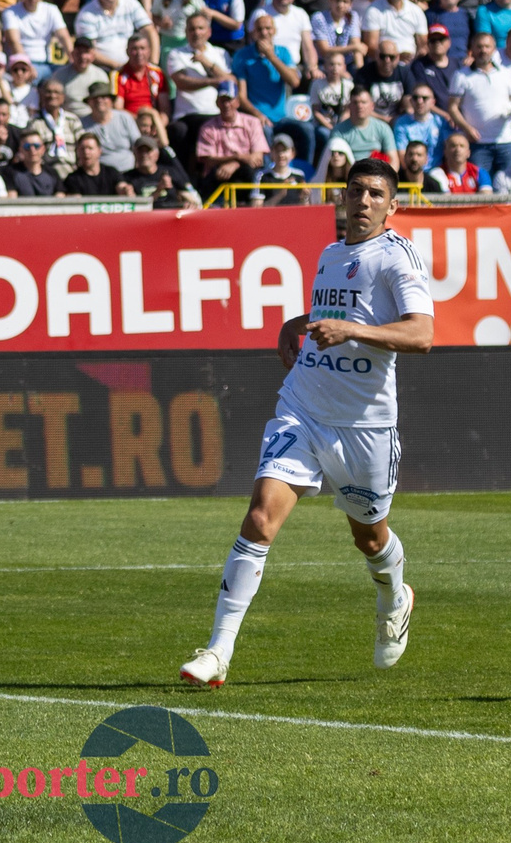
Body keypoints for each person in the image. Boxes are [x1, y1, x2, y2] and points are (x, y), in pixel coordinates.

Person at [179, 157, 432, 688]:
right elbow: (333, 313)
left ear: (392, 206)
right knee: (260, 519)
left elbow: (422, 335)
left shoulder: (397, 256)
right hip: (304, 407)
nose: (363, 202)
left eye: (375, 195)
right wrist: (298, 323)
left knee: (368, 539)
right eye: (355, 191)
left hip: (364, 427)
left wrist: (352, 332)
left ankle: (395, 594)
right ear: (341, 197)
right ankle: (218, 651)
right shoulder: (331, 252)